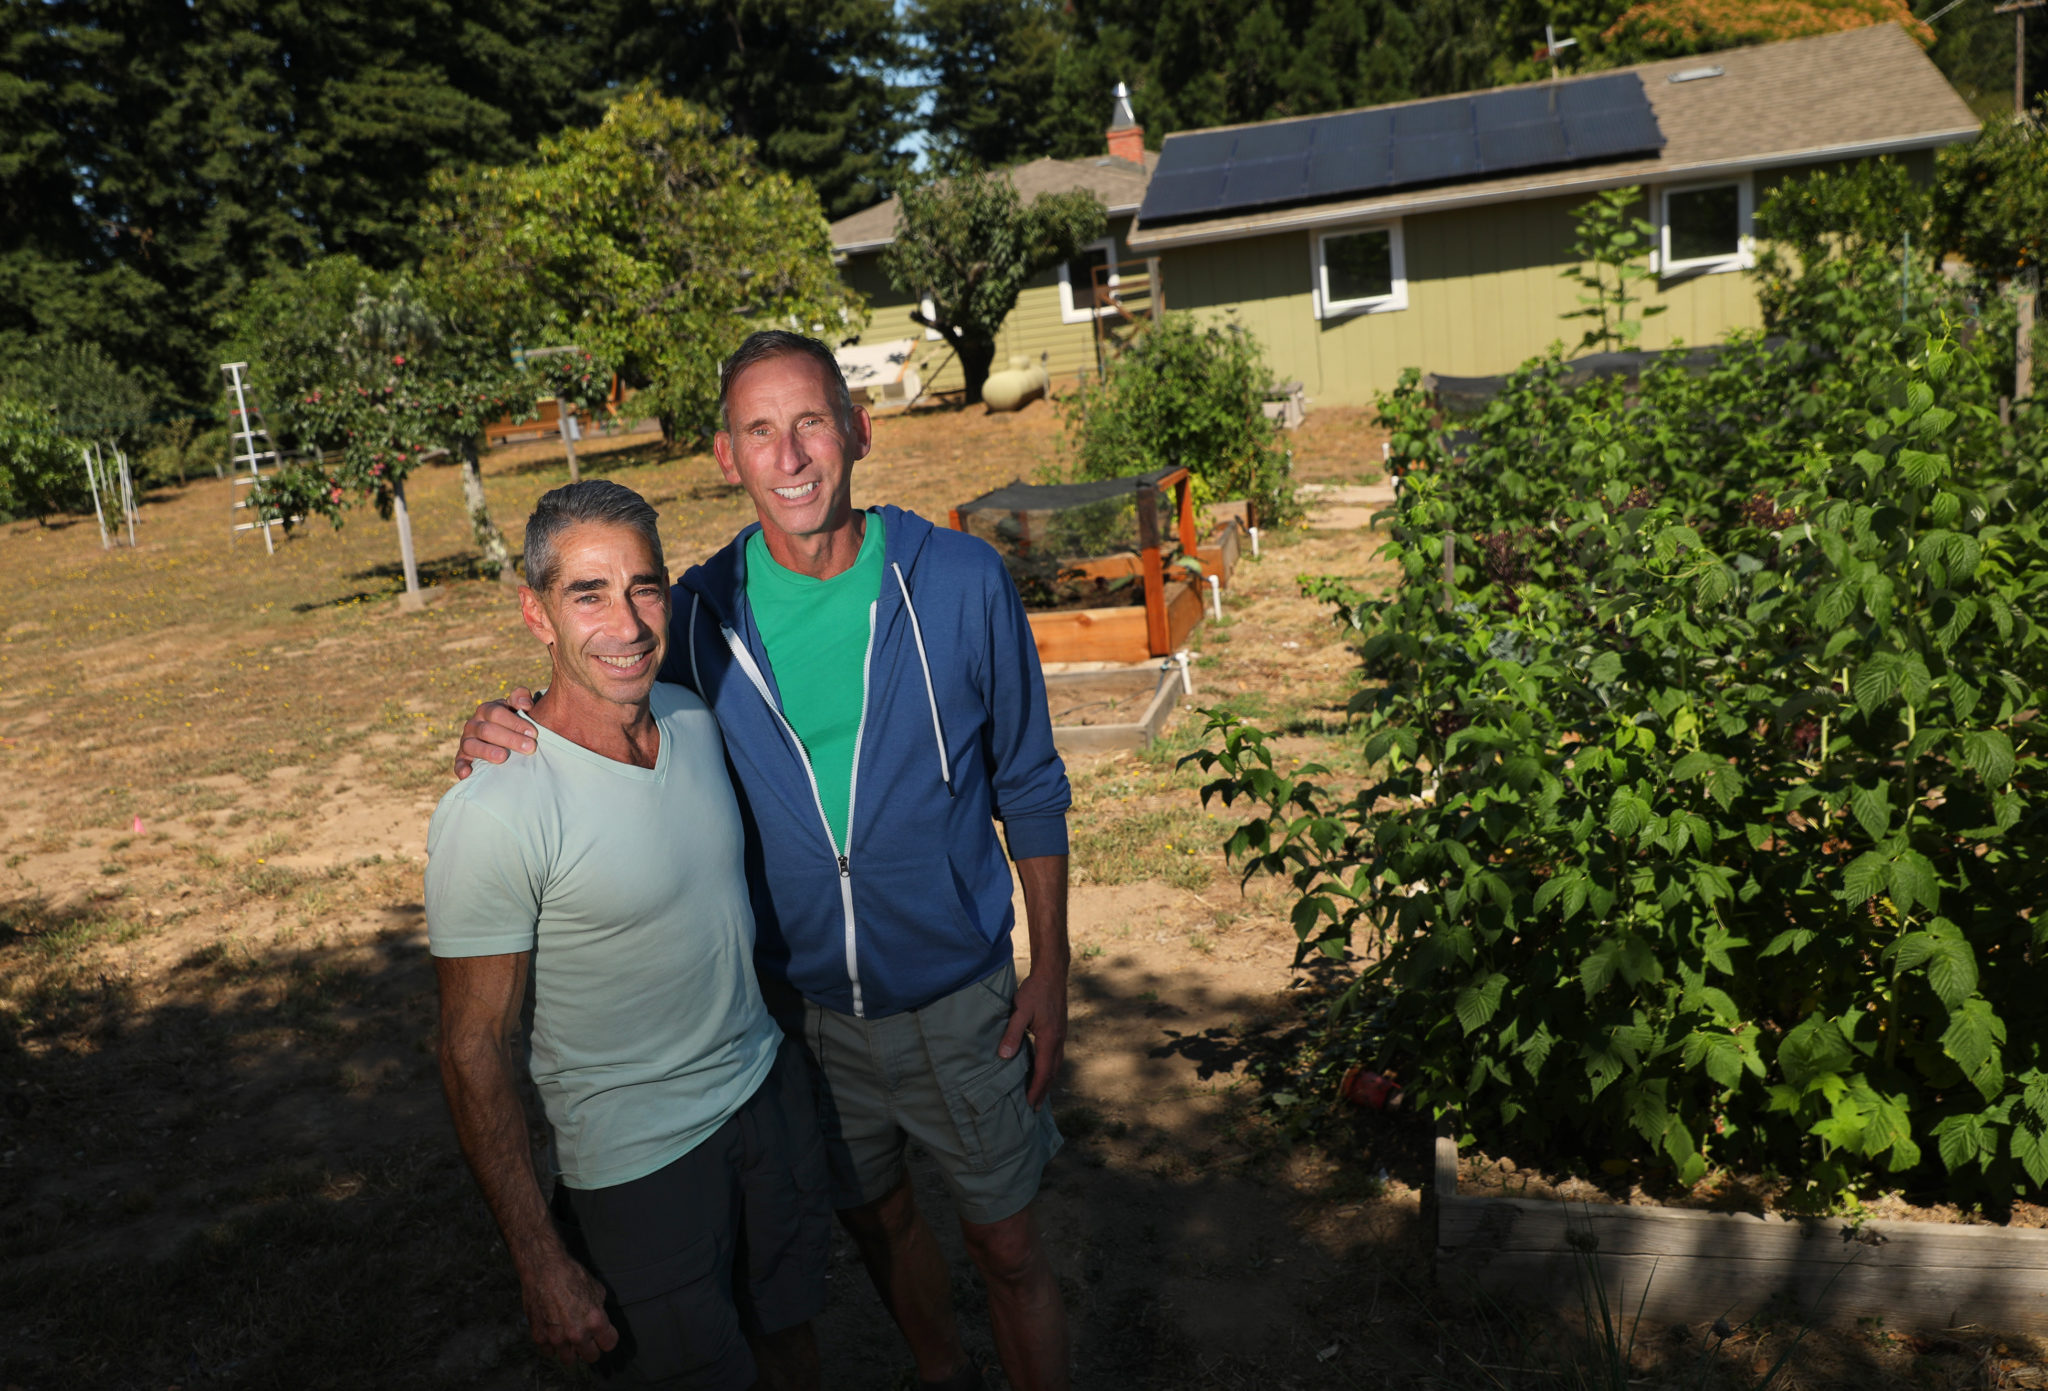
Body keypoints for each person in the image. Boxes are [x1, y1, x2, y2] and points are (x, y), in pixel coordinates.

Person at [458, 330, 1074, 1391]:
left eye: (809, 422)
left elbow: (1027, 780)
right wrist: (497, 718)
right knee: (878, 1225)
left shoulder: (962, 581)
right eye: (758, 430)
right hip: (802, 1017)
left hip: (959, 992)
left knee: (1009, 1246)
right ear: (724, 456)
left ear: (857, 430)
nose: (788, 455)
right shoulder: (697, 613)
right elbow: (595, 682)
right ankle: (942, 1372)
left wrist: (1051, 966)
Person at [428, 479, 830, 1390]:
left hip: (766, 1100)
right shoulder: (497, 806)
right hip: (639, 1169)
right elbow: (471, 1048)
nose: (629, 621)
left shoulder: (692, 717)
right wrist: (538, 1258)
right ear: (537, 613)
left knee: (793, 1340)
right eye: (589, 593)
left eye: (644, 587)